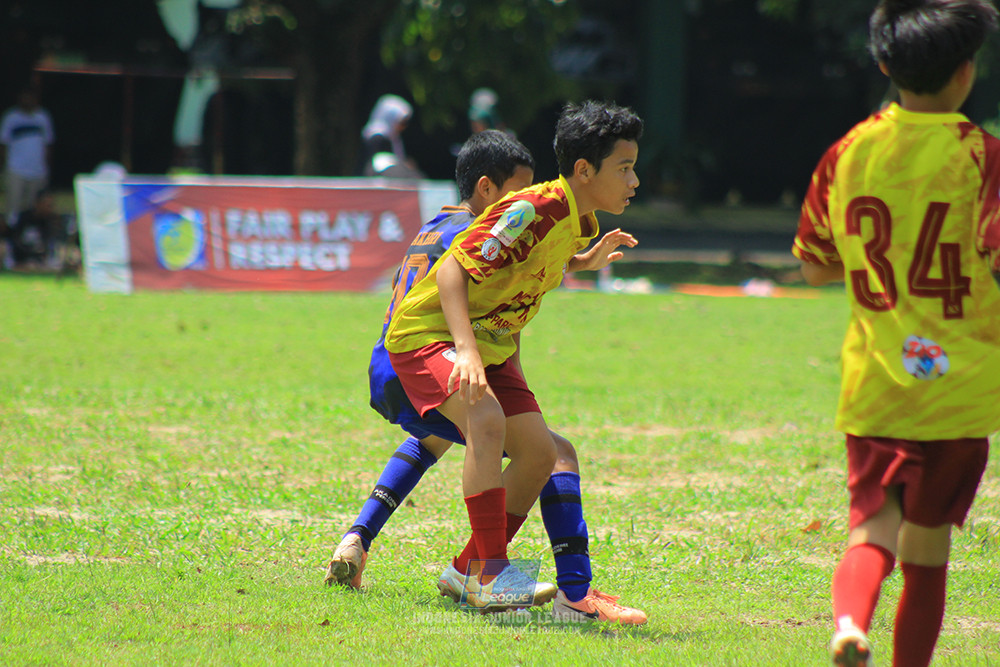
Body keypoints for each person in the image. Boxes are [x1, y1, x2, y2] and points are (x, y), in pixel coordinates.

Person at [325, 128, 647, 624]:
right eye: (624, 167)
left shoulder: (565, 219)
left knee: (541, 451)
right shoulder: (519, 214)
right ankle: (489, 575)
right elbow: (458, 273)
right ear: (487, 190)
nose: (635, 179)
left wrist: (582, 260)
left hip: (471, 345)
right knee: (484, 422)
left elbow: (537, 261)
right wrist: (469, 351)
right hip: (425, 343)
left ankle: (451, 567)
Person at [792, 2, 1000, 665]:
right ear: (967, 73)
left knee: (872, 527)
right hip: (961, 388)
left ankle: (851, 621)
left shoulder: (847, 152)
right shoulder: (983, 156)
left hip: (879, 380)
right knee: (929, 546)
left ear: (884, 64)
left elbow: (812, 262)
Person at [1, 89, 55, 268]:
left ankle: (34, 244)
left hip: (37, 171)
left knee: (35, 210)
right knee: (13, 211)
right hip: (16, 170)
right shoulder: (11, 118)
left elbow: (48, 145)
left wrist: (46, 168)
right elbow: (4, 145)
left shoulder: (42, 117)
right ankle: (9, 248)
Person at [360, 94, 422, 178]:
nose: (403, 127)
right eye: (402, 122)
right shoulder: (377, 139)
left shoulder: (392, 138)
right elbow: (380, 164)